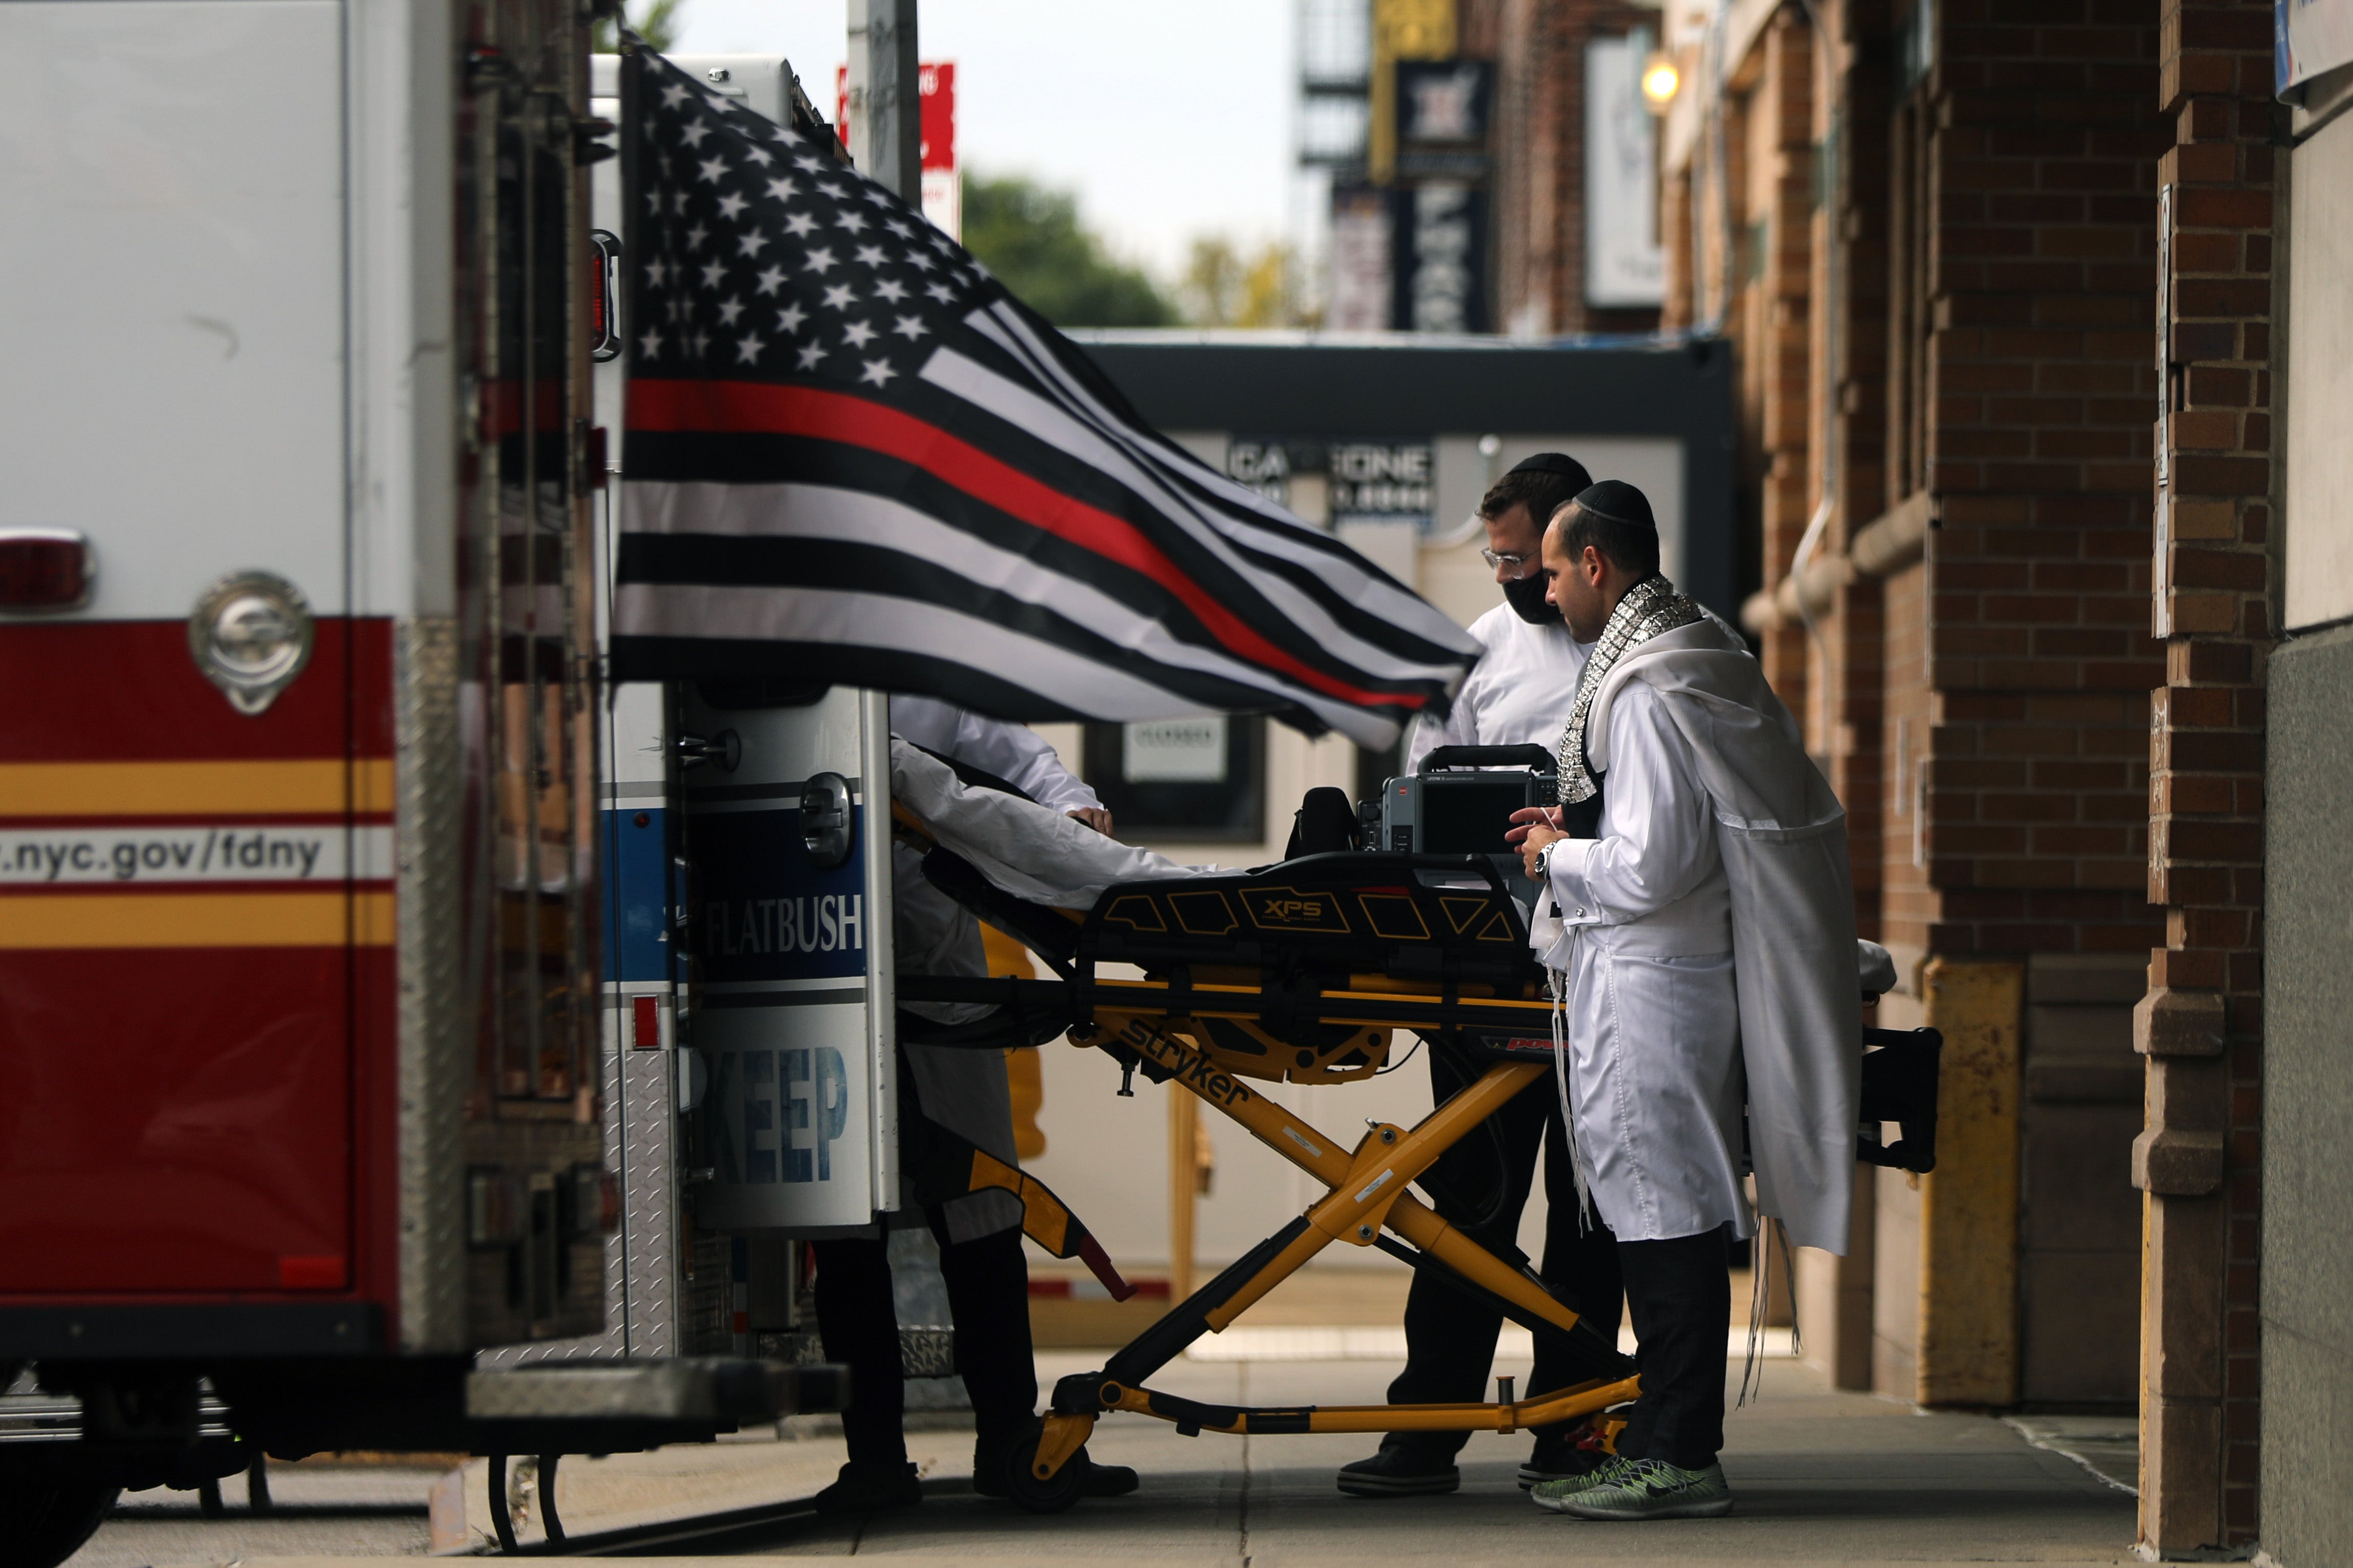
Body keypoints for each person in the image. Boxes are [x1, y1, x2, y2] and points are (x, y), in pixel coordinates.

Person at [1506, 480, 1860, 1521]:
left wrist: (1558, 855)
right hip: (1665, 982)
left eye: (1557, 569)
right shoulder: (1689, 652)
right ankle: (1665, 1439)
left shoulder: (1649, 690)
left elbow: (1654, 865)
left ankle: (1676, 1453)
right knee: (1667, 1209)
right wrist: (1572, 843)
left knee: (1664, 1214)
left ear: (1598, 567)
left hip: (1650, 988)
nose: (1550, 586)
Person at [1337, 453, 1629, 1499]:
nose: (1515, 577)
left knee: (1590, 1214)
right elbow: (1418, 802)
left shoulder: (1632, 660)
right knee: (1467, 1204)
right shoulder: (1475, 659)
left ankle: (1573, 1425)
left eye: (1524, 558)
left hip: (1601, 972)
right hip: (1483, 970)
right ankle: (1429, 1430)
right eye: (1502, 560)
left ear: (1574, 543)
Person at [810, 699, 1135, 1514]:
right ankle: (875, 1461)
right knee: (845, 1224)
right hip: (816, 967)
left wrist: (1067, 805)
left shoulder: (920, 670)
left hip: (936, 966)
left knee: (984, 1209)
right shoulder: (789, 647)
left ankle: (1009, 1442)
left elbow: (1013, 750)